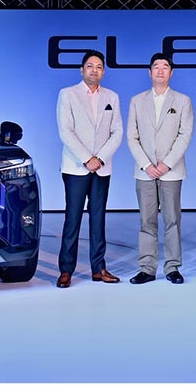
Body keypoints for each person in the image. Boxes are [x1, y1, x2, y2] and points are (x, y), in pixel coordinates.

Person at [55, 50, 123, 288]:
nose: (95, 70)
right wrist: (87, 159)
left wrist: (100, 159)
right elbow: (66, 131)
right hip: (76, 166)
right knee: (72, 219)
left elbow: (117, 132)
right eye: (90, 66)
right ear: (81, 69)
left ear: (103, 71)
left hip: (101, 168)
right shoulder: (67, 94)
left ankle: (98, 268)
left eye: (99, 67)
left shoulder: (112, 97)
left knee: (98, 218)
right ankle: (66, 270)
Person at [126, 53, 194, 284]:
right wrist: (147, 164)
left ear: (171, 73)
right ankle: (147, 268)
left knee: (172, 219)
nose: (160, 70)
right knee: (147, 220)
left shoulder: (182, 100)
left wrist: (166, 164)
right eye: (156, 66)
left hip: (171, 171)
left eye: (165, 67)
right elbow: (132, 136)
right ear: (149, 72)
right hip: (144, 171)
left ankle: (173, 267)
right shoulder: (137, 100)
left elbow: (185, 135)